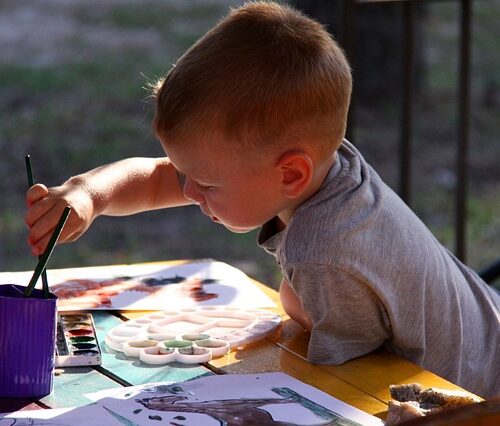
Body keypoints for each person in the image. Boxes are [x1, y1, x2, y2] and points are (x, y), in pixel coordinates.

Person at [25, 2, 499, 397]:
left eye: (206, 185)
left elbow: (350, 386)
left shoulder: (326, 251)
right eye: (190, 176)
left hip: (470, 398)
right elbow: (157, 177)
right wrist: (89, 194)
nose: (189, 191)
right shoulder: (323, 166)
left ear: (291, 173)